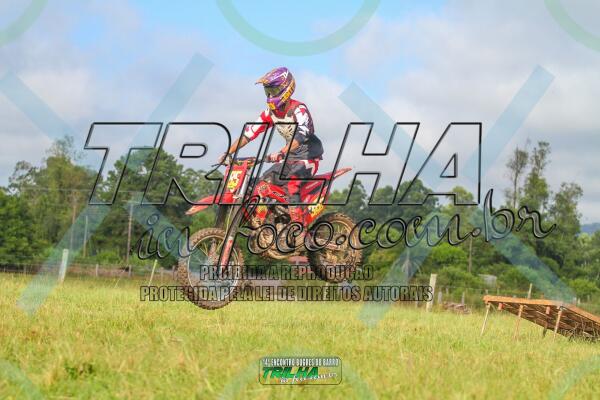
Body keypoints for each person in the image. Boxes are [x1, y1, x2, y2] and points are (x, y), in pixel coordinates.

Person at [219, 67, 324, 223]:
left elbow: (302, 134)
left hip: (308, 157)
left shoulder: (298, 109)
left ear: (286, 89)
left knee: (293, 184)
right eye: (267, 91)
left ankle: (299, 228)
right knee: (262, 184)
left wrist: (282, 151)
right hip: (289, 158)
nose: (270, 95)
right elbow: (249, 133)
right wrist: (228, 152)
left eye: (273, 91)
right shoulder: (270, 113)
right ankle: (270, 222)